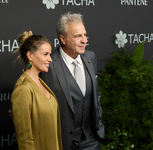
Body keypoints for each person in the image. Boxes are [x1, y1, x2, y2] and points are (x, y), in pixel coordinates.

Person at [41, 12, 105, 150]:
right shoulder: (48, 64)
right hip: (63, 141)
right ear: (63, 39)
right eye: (77, 36)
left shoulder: (90, 57)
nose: (84, 40)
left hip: (91, 139)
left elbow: (95, 94)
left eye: (84, 35)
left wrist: (98, 122)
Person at [10, 30, 62, 150]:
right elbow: (25, 139)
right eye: (45, 54)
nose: (50, 59)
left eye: (50, 54)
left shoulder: (41, 82)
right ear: (30, 56)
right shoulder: (23, 89)